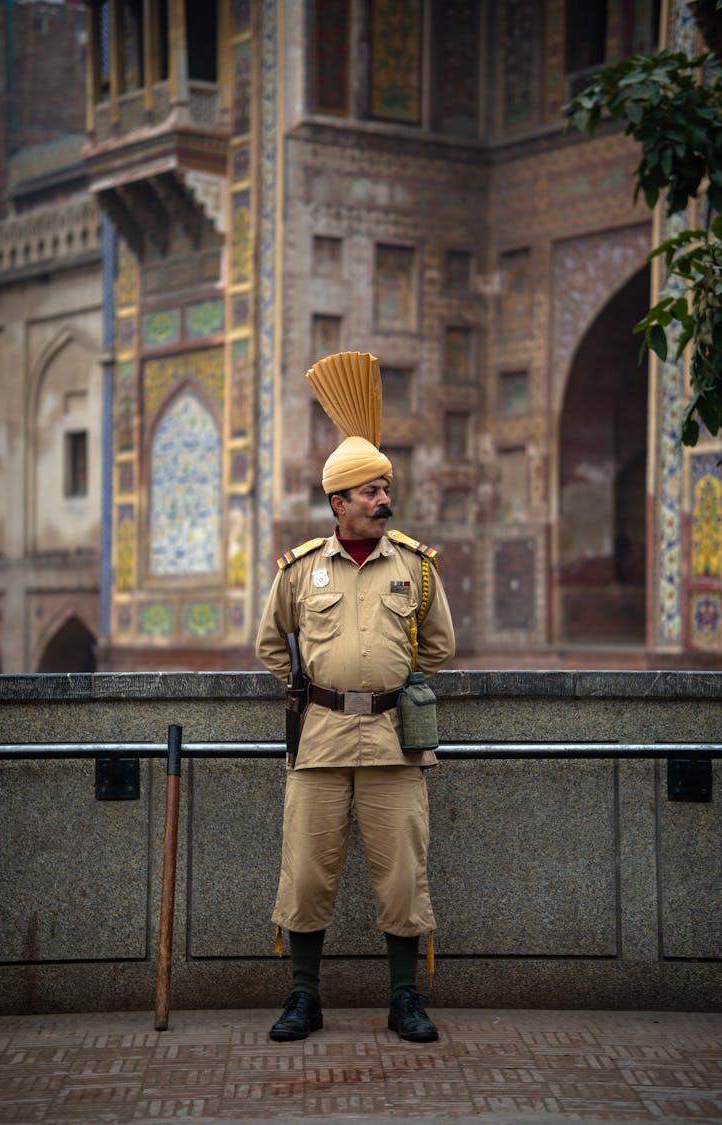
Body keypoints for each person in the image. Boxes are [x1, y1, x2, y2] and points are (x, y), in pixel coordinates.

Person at [255, 351, 455, 1044]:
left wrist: (391, 685)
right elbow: (270, 643)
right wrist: (311, 692)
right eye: (369, 491)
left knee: (402, 878)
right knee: (307, 875)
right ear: (337, 503)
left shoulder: (416, 567)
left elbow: (439, 647)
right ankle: (303, 997)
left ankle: (405, 999)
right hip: (319, 743)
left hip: (395, 747)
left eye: (383, 488)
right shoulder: (302, 569)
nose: (382, 500)